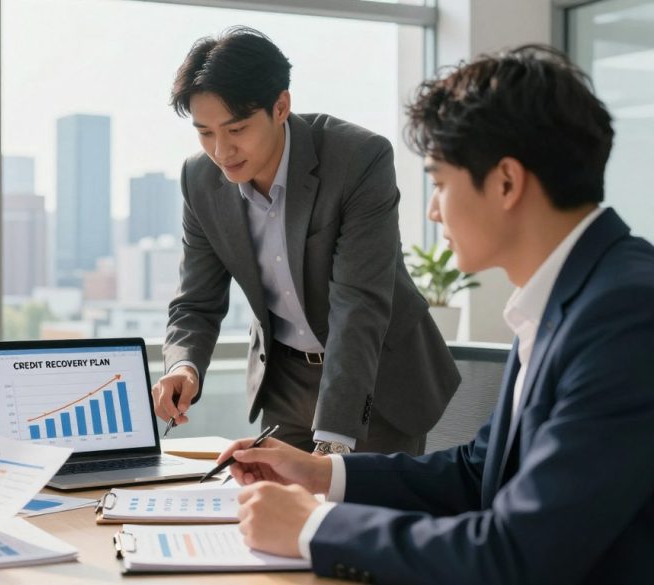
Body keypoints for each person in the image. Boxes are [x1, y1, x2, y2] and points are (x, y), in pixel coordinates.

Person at [223, 45, 654, 584]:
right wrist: (321, 473)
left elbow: (519, 554)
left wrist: (314, 528)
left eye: (440, 183)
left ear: (505, 182)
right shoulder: (562, 300)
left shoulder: (626, 315)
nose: (432, 210)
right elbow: (478, 475)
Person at [153, 26, 459, 455]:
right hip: (284, 385)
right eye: (205, 133)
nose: (221, 151)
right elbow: (196, 301)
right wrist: (184, 366)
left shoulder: (358, 159)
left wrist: (333, 441)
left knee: (363, 519)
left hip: (376, 381)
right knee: (276, 518)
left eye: (236, 129)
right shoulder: (200, 180)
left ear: (281, 107)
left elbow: (359, 304)